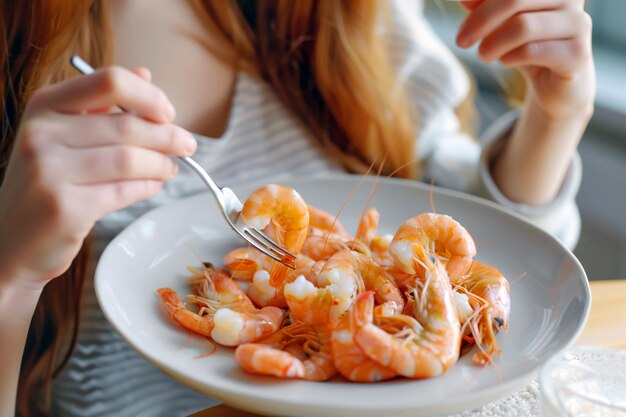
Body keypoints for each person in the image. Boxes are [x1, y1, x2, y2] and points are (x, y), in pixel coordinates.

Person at [0, 0, 594, 416]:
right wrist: (11, 277)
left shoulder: (358, 14)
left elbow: (465, 229)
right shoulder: (19, 53)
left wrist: (555, 116)